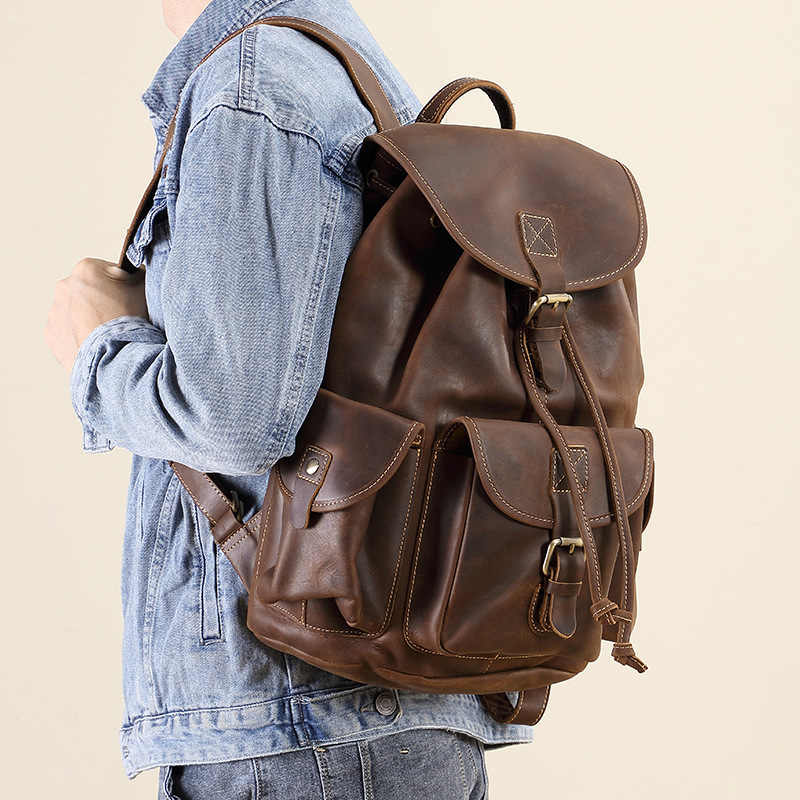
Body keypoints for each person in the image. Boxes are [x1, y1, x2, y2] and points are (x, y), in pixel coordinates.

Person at [45, 1, 534, 797]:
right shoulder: (344, 69)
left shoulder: (256, 80)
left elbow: (234, 417)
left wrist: (97, 353)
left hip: (301, 728)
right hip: (365, 714)